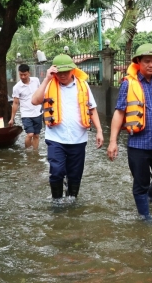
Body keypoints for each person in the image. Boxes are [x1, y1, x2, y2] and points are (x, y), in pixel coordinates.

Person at [107, 43, 152, 220]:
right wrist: (113, 141)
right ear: (138, 62)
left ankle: (151, 195)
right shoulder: (129, 84)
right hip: (138, 145)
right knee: (140, 183)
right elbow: (119, 112)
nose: (151, 65)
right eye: (147, 61)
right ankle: (145, 216)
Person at [31, 54, 103, 201]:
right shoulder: (49, 84)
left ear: (73, 70)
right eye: (59, 72)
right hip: (56, 138)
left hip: (78, 139)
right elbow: (34, 101)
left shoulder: (83, 86)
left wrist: (99, 131)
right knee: (56, 171)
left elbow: (92, 109)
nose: (62, 75)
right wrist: (46, 79)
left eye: (66, 72)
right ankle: (57, 201)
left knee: (75, 175)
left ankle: (72, 200)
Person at [9, 64, 42, 149]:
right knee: (30, 134)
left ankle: (34, 154)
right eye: (21, 74)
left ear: (29, 73)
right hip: (26, 114)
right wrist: (12, 118)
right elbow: (15, 103)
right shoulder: (17, 87)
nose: (23, 77)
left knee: (36, 135)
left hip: (38, 112)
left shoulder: (36, 80)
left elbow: (40, 93)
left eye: (25, 74)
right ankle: (27, 152)